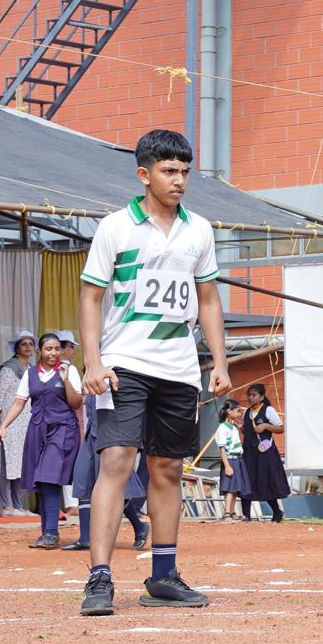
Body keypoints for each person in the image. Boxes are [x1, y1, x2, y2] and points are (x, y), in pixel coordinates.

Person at [75, 129, 230, 616]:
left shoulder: (199, 230)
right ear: (144, 174)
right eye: (168, 171)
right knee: (117, 461)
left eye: (184, 171)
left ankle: (163, 577)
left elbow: (208, 299)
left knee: (168, 469)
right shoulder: (115, 227)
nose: (178, 180)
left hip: (179, 369)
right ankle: (99, 577)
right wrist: (93, 361)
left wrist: (220, 362)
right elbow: (90, 297)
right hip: (125, 364)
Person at [0, 332, 83, 548]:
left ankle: (51, 533)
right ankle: (47, 532)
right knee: (41, 481)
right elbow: (19, 402)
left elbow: (76, 403)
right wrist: (3, 426)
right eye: (48, 349)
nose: (53, 353)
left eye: (57, 349)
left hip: (62, 428)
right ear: (40, 352)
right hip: (37, 429)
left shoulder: (68, 370)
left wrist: (65, 381)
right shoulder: (30, 373)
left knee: (49, 477)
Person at [68, 391, 149, 548]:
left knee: (118, 489)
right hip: (91, 435)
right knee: (83, 479)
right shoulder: (94, 380)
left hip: (111, 437)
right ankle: (85, 538)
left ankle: (139, 526)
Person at [0, 330, 33, 515]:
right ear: (17, 348)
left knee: (21, 464)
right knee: (6, 463)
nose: (28, 347)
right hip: (9, 423)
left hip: (26, 423)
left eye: (31, 344)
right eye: (24, 344)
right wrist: (2, 423)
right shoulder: (9, 368)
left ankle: (19, 505)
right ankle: (7, 506)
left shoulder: (31, 369)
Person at [236, 384, 288, 522]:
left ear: (262, 397)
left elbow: (280, 428)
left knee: (266, 480)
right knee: (247, 481)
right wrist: (241, 427)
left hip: (265, 453)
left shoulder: (268, 410)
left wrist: (265, 426)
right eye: (249, 395)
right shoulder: (247, 412)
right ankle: (246, 515)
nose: (250, 398)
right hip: (249, 451)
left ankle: (277, 512)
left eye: (254, 395)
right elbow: (248, 432)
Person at [212, 403, 242, 519]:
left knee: (234, 488)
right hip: (229, 459)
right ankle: (227, 512)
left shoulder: (233, 427)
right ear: (230, 411)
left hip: (237, 458)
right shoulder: (222, 428)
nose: (239, 414)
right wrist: (227, 466)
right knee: (229, 487)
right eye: (238, 411)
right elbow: (222, 448)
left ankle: (232, 511)